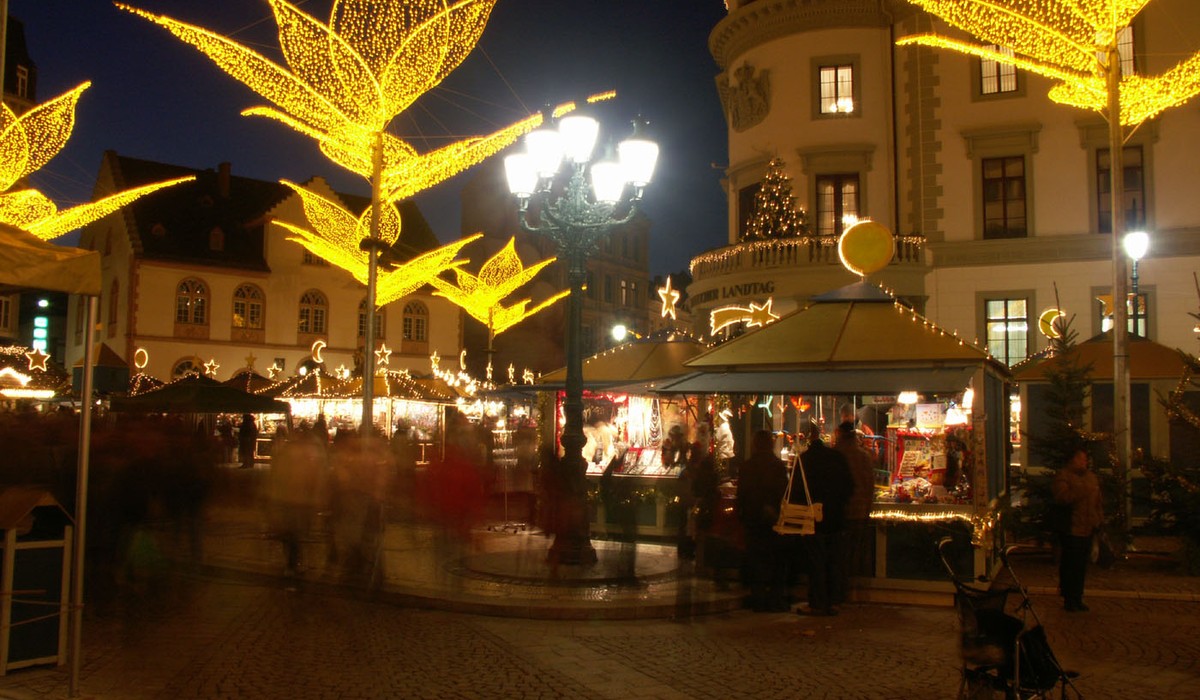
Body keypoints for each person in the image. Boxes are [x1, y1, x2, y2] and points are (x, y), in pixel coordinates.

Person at [792, 421, 853, 616]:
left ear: (806, 439)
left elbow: (796, 490)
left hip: (813, 518)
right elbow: (849, 486)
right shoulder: (837, 457)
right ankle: (834, 601)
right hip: (836, 517)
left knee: (816, 561)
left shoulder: (804, 460)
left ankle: (817, 602)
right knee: (835, 561)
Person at [736, 429, 790, 612]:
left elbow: (742, 494)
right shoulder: (778, 466)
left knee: (756, 559)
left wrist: (742, 514)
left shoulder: (747, 466)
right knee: (775, 560)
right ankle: (774, 598)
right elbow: (783, 492)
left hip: (753, 518)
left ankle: (758, 597)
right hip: (773, 518)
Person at [1052, 446, 1103, 612]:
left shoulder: (1091, 477)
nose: (1083, 462)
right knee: (1070, 565)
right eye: (1080, 459)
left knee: (1081, 566)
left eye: (1085, 459)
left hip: (1088, 528)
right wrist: (1083, 489)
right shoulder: (1064, 476)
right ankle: (1069, 598)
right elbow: (1062, 498)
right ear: (1072, 460)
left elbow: (1097, 502)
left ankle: (1078, 597)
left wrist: (1098, 520)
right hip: (1072, 528)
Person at [834, 421, 876, 585]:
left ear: (840, 434)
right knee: (856, 550)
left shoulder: (835, 455)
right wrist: (867, 508)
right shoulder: (863, 456)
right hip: (860, 511)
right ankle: (856, 582)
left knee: (840, 552)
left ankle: (841, 584)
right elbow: (870, 485)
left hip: (840, 511)